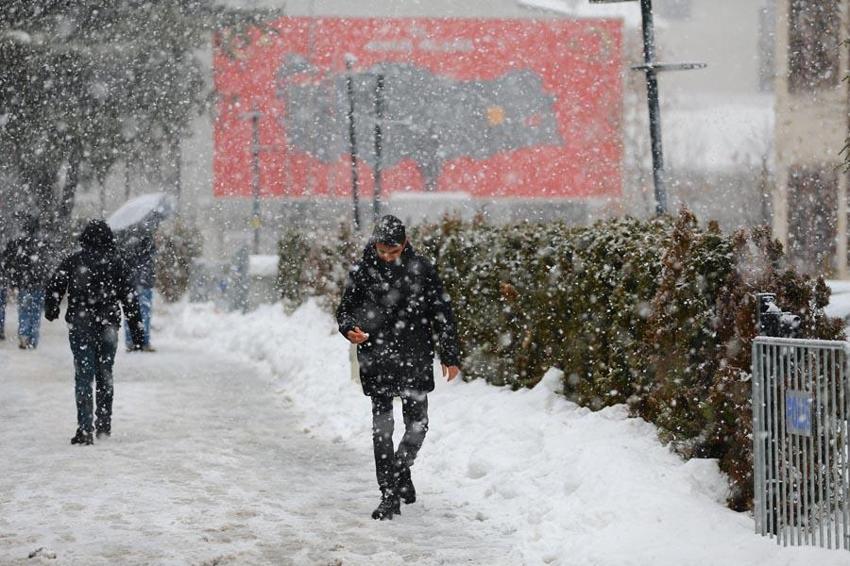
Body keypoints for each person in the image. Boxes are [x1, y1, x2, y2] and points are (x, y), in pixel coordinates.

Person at [336, 214, 461, 520]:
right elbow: (344, 310)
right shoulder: (363, 271)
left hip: (415, 357)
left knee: (418, 425)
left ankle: (400, 470)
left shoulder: (422, 270)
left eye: (394, 251)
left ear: (405, 244)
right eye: (383, 251)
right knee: (383, 429)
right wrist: (349, 327)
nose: (388, 257)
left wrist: (450, 354)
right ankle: (389, 494)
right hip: (376, 356)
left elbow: (442, 312)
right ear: (375, 244)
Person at [45, 220, 144, 446]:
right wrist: (137, 330)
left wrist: (51, 309)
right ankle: (104, 425)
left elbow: (55, 285)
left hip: (81, 324)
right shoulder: (117, 263)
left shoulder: (74, 261)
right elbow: (130, 298)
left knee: (83, 375)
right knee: (105, 373)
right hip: (108, 323)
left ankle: (84, 428)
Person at [2, 216, 48, 349]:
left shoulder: (19, 244)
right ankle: (33, 339)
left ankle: (24, 335)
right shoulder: (41, 244)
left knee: (24, 312)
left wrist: (14, 282)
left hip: (25, 284)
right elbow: (46, 265)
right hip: (38, 284)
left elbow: (15, 265)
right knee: (36, 312)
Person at [120, 227, 156, 351]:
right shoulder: (147, 237)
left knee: (130, 312)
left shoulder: (124, 237)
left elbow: (123, 260)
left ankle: (131, 341)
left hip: (129, 283)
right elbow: (149, 259)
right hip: (144, 282)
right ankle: (143, 342)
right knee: (144, 312)